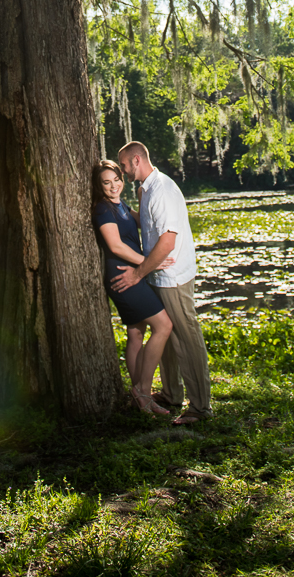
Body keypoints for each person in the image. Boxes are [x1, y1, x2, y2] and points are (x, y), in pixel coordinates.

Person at [112, 141, 212, 425]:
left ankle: (201, 408)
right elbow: (147, 224)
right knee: (166, 336)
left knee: (186, 337)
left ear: (136, 161)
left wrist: (138, 272)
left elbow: (167, 241)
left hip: (173, 277)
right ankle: (170, 394)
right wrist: (117, 207)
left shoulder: (163, 191)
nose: (122, 171)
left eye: (123, 165)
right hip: (159, 274)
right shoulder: (146, 190)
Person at [91, 160, 174, 416]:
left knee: (136, 332)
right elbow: (116, 247)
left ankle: (139, 394)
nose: (114, 185)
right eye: (107, 182)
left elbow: (143, 221)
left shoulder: (121, 205)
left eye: (117, 179)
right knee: (164, 326)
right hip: (123, 276)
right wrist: (151, 263)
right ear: (99, 185)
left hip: (131, 273)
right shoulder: (103, 210)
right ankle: (143, 391)